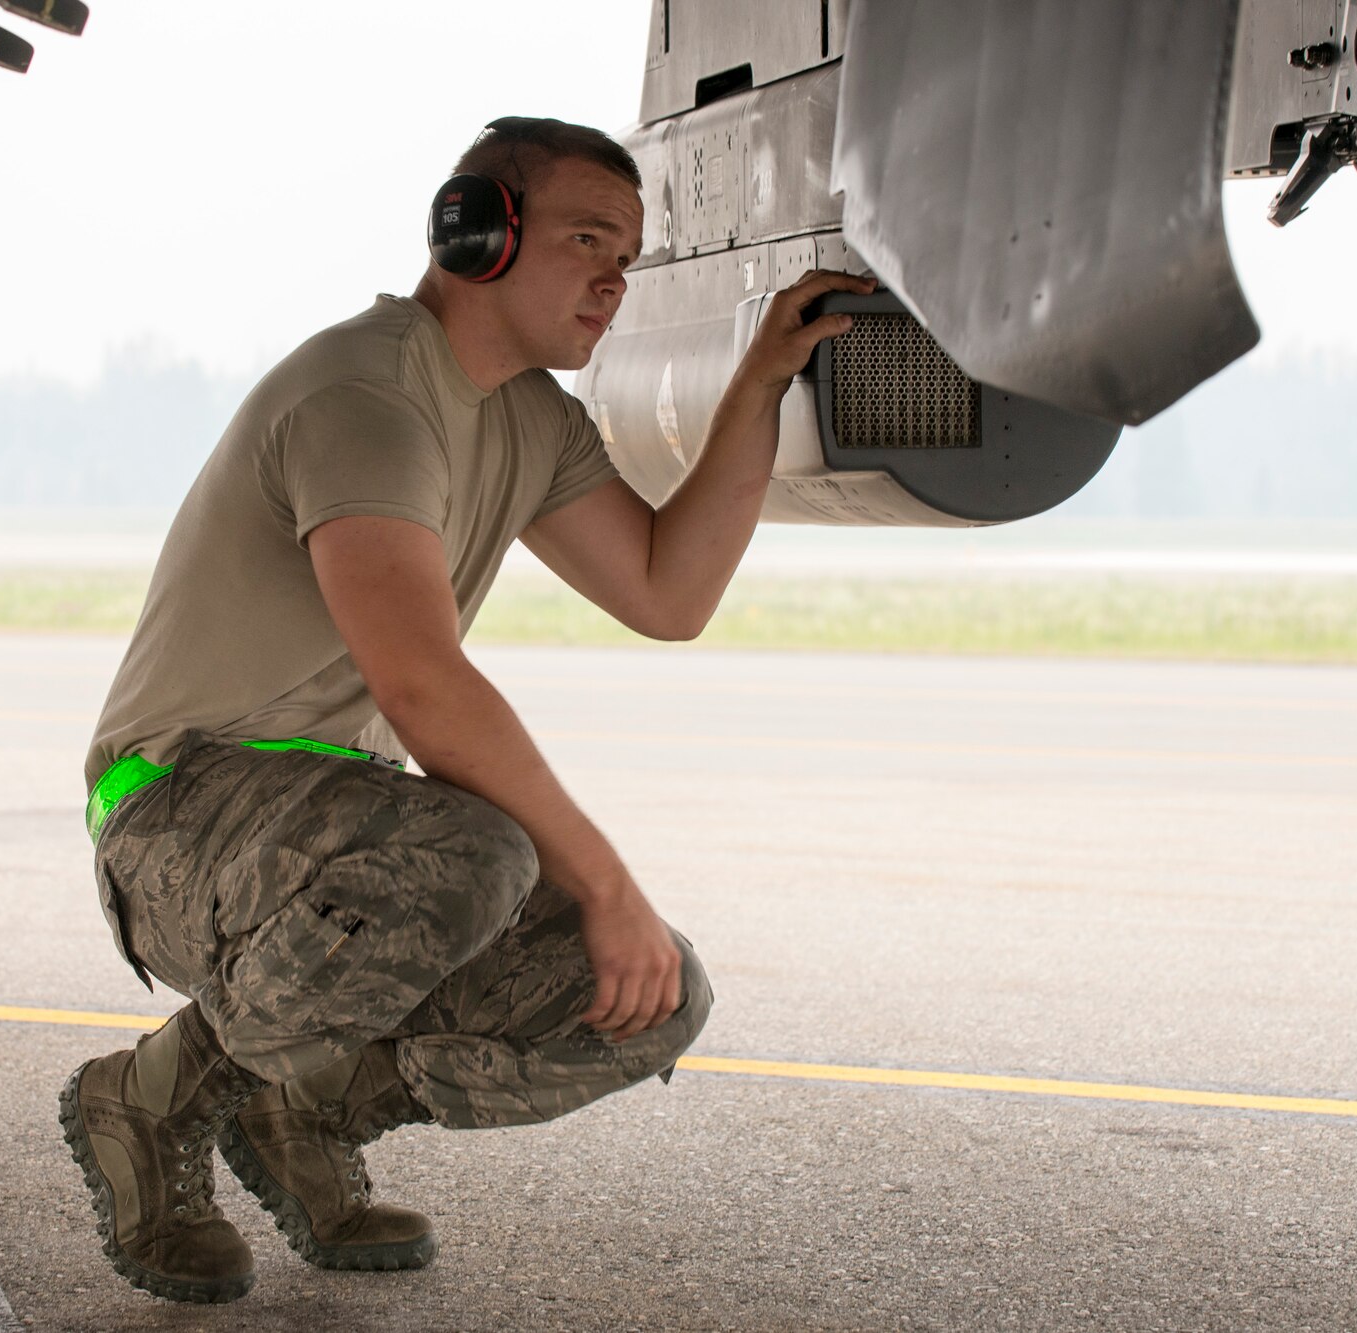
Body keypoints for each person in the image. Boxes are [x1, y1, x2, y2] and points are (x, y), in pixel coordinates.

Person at [59, 114, 875, 1304]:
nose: (612, 280)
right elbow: (421, 685)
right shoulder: (362, 393)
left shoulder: (527, 416)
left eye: (627, 257)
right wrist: (605, 882)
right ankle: (148, 1099)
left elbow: (668, 592)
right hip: (180, 810)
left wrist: (759, 380)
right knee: (476, 851)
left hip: (335, 839)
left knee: (647, 997)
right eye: (587, 239)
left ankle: (302, 1109)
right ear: (475, 232)